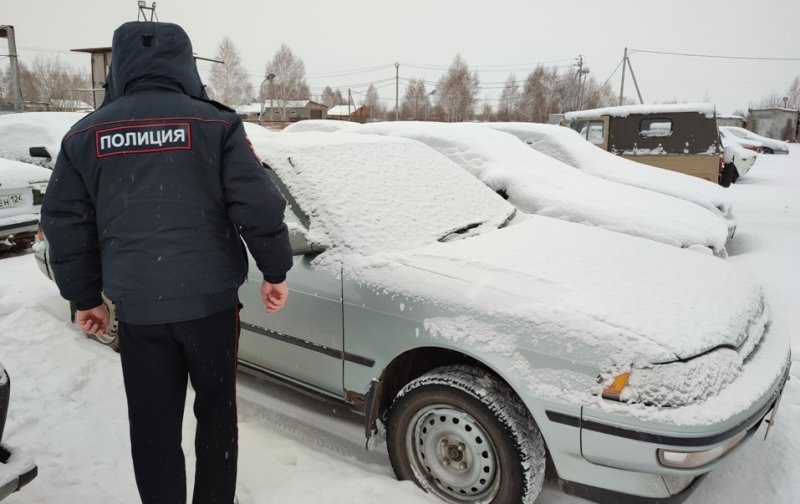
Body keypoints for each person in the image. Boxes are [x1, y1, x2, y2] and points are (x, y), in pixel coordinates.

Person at [41, 21, 292, 504]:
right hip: (212, 310)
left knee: (153, 426)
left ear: (119, 67)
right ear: (186, 63)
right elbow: (257, 203)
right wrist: (275, 270)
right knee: (217, 416)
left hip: (139, 312)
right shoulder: (216, 123)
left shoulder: (85, 134)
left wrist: (85, 297)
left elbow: (65, 222)